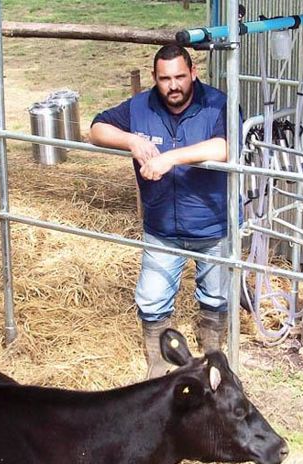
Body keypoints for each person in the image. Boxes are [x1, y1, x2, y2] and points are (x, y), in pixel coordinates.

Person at [89, 44, 232, 378]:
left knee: (217, 295)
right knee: (152, 300)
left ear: (193, 73)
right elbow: (96, 128)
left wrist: (171, 157)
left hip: (213, 223)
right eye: (165, 79)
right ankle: (160, 363)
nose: (174, 86)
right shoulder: (141, 106)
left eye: (180, 77)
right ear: (154, 78)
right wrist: (131, 141)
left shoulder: (216, 103)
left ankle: (214, 355)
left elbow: (225, 146)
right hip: (162, 226)